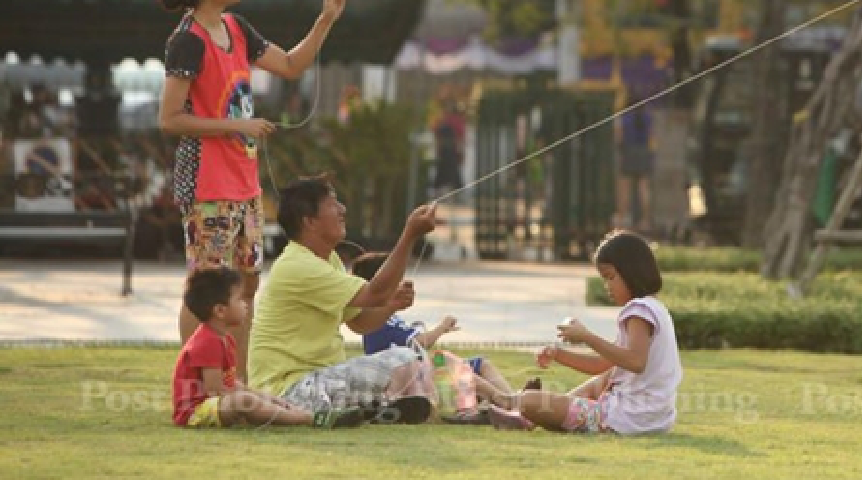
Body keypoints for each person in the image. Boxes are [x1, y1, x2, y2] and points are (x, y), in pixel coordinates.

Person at [158, 0, 348, 380]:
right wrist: (237, 126)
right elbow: (170, 119)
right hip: (207, 186)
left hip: (244, 185)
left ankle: (239, 384)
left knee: (245, 289)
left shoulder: (237, 28)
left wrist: (325, 20)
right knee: (208, 290)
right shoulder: (187, 41)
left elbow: (291, 65)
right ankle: (199, 387)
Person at [248, 175, 439, 424]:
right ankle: (382, 409)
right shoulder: (298, 265)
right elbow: (376, 294)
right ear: (309, 222)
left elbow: (359, 323)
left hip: (317, 381)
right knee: (404, 361)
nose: (342, 210)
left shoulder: (329, 259)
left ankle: (380, 409)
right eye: (332, 204)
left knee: (411, 361)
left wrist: (391, 305)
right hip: (288, 392)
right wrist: (409, 235)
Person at [484, 231, 682, 434]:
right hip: (653, 418)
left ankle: (509, 403)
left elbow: (636, 362)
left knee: (530, 400)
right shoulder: (655, 309)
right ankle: (526, 419)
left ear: (631, 272)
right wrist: (559, 354)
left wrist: (587, 337)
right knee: (603, 378)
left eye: (610, 277)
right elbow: (601, 364)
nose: (607, 286)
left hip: (627, 417)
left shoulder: (638, 310)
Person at [172, 265, 365, 429]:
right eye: (239, 300)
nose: (245, 305)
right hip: (195, 411)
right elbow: (215, 390)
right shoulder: (207, 342)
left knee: (259, 399)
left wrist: (267, 398)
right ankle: (310, 419)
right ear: (220, 311)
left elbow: (231, 383)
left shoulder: (225, 338)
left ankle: (304, 414)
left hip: (215, 405)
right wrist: (251, 400)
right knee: (244, 402)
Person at [349, 252, 522, 400]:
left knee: (479, 363)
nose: (402, 284)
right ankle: (505, 400)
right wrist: (442, 327)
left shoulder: (383, 316)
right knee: (448, 362)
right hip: (412, 380)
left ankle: (510, 398)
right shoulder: (377, 321)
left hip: (419, 371)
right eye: (396, 280)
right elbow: (419, 342)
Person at [617, 96, 653, 227]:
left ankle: (621, 219)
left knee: (624, 188)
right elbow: (651, 136)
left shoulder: (624, 117)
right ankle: (645, 220)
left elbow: (619, 136)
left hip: (628, 151)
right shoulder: (647, 118)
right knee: (644, 188)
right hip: (643, 151)